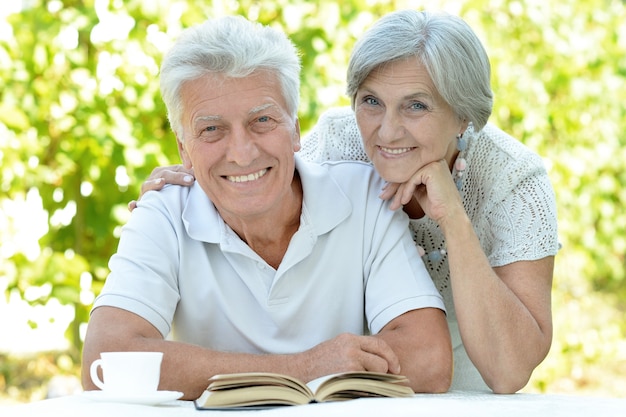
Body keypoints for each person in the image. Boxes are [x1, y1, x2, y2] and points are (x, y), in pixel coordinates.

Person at [134, 10, 560, 394]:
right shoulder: (339, 145)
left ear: (464, 115)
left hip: (472, 398)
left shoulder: (513, 180)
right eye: (371, 101)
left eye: (416, 106)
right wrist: (182, 187)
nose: (387, 132)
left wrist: (454, 219)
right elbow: (254, 168)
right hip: (363, 393)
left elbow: (509, 372)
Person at [81, 15, 452, 400]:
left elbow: (428, 361)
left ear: (295, 130)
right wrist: (306, 367)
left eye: (262, 120)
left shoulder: (366, 196)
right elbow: (106, 363)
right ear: (182, 148)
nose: (241, 154)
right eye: (211, 129)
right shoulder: (163, 212)